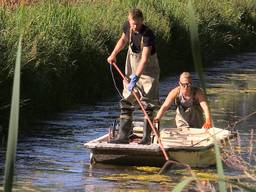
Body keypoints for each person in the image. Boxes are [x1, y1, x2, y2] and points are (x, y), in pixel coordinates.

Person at [107, 8, 160, 144]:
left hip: (148, 72)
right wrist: (113, 54)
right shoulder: (127, 27)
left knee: (147, 104)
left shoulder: (148, 35)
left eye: (137, 23)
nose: (134, 26)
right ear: (129, 21)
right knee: (127, 100)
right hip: (131, 68)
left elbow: (144, 59)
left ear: (142, 21)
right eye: (132, 23)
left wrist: (135, 78)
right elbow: (123, 41)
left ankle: (146, 138)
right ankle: (123, 136)